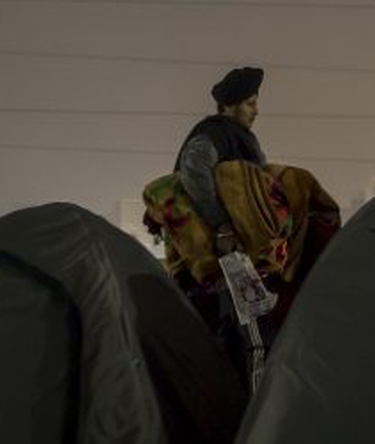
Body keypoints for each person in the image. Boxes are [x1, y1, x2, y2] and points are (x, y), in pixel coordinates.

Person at [142, 67, 339, 345]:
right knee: (231, 333)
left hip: (237, 255)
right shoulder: (213, 134)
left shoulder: (236, 137)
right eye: (250, 103)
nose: (256, 111)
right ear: (229, 106)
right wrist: (222, 225)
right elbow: (194, 170)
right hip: (217, 255)